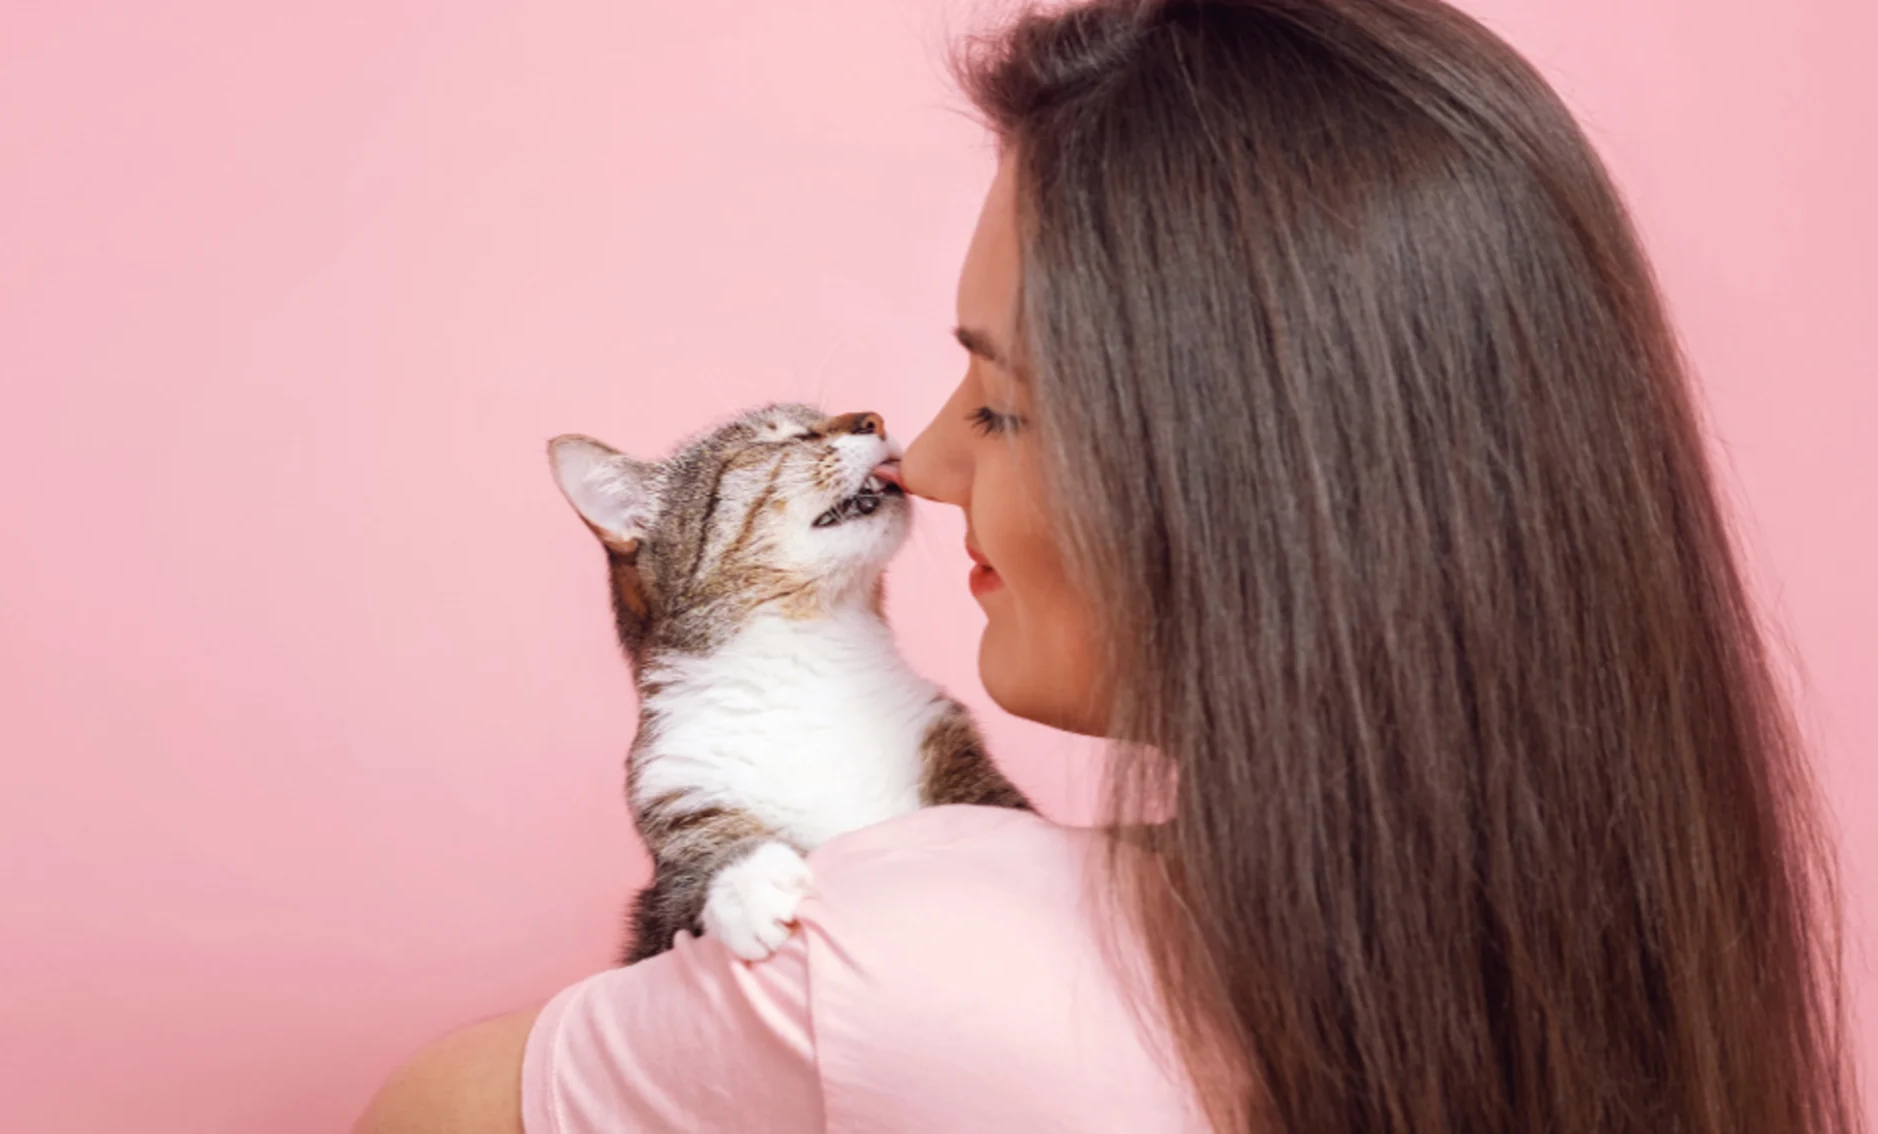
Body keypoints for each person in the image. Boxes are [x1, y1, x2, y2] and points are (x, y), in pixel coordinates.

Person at [355, 0, 1863, 1130]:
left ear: (1254, 486)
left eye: (1000, 404)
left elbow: (420, 1112)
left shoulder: (920, 956)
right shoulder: (1656, 939)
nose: (925, 466)